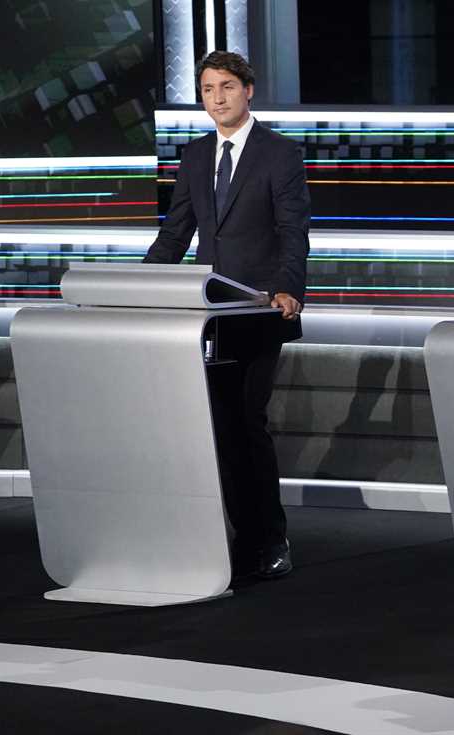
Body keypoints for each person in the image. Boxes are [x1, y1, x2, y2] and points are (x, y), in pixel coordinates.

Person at [144, 51, 310, 580]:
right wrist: (137, 288)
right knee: (219, 428)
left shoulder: (280, 154)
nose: (217, 98)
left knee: (248, 422)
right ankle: (239, 537)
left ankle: (271, 539)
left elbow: (293, 233)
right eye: (208, 89)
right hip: (208, 315)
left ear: (248, 90)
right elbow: (176, 234)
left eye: (227, 87)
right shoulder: (194, 157)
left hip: (261, 312)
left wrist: (288, 288)